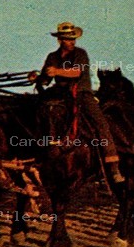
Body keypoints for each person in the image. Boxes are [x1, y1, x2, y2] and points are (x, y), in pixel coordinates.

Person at [36, 22, 124, 184]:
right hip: (60, 96)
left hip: (82, 94)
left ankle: (113, 167)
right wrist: (38, 78)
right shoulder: (52, 57)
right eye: (69, 39)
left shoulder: (80, 54)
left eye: (73, 39)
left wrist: (56, 71)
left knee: (101, 124)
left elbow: (77, 72)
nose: (72, 42)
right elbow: (46, 80)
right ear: (60, 40)